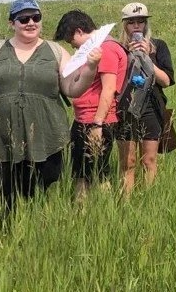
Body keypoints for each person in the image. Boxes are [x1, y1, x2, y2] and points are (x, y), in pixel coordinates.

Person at [0, 0, 101, 216]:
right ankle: (0, 235)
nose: (30, 23)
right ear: (12, 23)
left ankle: (40, 234)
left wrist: (90, 68)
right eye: (23, 19)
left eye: (36, 18)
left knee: (43, 193)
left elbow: (72, 88)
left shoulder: (55, 51)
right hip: (1, 138)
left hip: (46, 136)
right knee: (0, 195)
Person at [54, 10, 127, 198]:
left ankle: (103, 213)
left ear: (79, 31)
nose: (73, 47)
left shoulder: (106, 49)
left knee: (98, 174)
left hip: (95, 120)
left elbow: (108, 89)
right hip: (84, 119)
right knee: (81, 173)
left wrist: (97, 124)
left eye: (72, 41)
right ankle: (82, 212)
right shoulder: (96, 47)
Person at [113, 2, 175, 192]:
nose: (137, 26)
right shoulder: (117, 48)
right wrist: (129, 56)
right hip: (125, 107)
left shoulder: (159, 46)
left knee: (149, 160)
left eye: (141, 21)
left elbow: (166, 81)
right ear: (124, 25)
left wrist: (147, 57)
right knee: (128, 161)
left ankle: (149, 199)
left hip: (151, 105)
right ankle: (126, 201)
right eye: (132, 22)